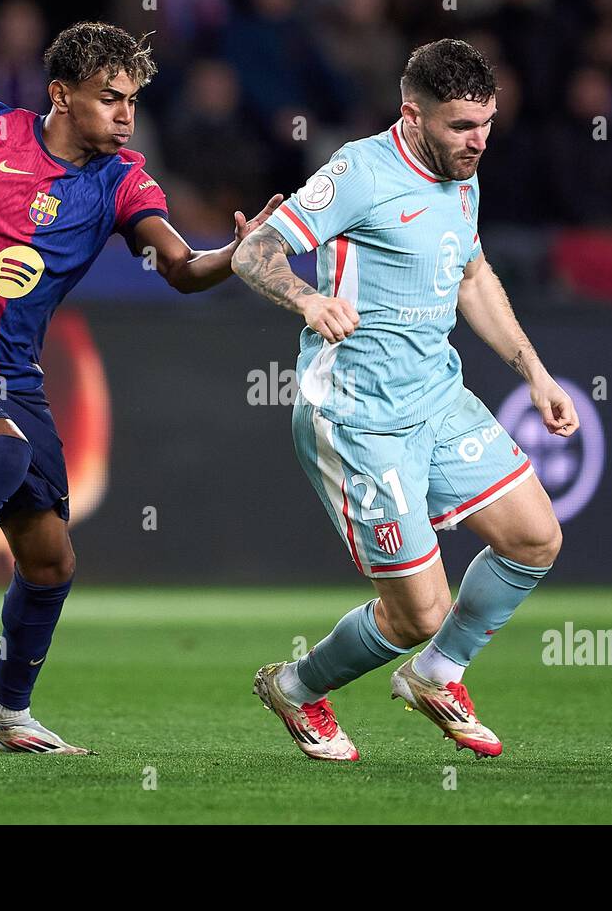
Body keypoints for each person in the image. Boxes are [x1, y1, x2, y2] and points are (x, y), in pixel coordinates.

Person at [0, 21, 281, 755]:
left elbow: (183, 269)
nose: (126, 114)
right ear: (61, 95)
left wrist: (240, 253)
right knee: (0, 458)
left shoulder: (123, 178)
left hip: (17, 385)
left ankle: (4, 714)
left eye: (132, 99)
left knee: (50, 561)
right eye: (110, 98)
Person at [232, 39, 577, 761]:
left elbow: (473, 275)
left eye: (486, 123)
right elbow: (254, 251)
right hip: (358, 415)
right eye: (460, 126)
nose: (477, 141)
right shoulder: (360, 171)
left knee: (535, 538)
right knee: (420, 611)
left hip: (438, 399)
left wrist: (534, 371)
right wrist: (308, 299)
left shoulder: (463, 173)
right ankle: (293, 687)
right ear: (411, 115)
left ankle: (437, 676)